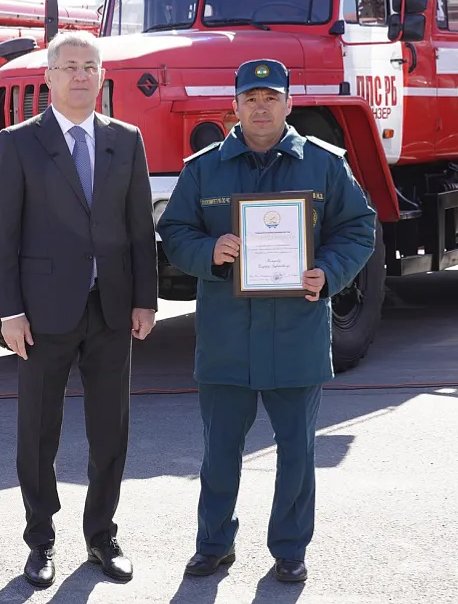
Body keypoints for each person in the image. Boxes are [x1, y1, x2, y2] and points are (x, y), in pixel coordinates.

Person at [157, 59, 377, 583]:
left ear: (288, 104)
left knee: (297, 452)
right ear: (234, 106)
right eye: (251, 99)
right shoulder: (204, 168)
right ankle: (213, 544)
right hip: (227, 335)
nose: (261, 107)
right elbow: (175, 231)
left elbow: (358, 228)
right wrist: (210, 251)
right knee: (219, 451)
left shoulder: (324, 164)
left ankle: (290, 549)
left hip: (296, 332)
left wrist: (328, 272)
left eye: (271, 97)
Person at [0, 30, 158, 587]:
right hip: (41, 315)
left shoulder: (126, 140)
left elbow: (139, 228)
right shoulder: (17, 143)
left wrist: (145, 299)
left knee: (111, 432)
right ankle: (40, 540)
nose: (80, 75)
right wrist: (10, 311)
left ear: (101, 76)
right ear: (50, 77)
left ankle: (102, 535)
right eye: (70, 66)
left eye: (89, 66)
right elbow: (1, 236)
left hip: (111, 310)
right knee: (39, 432)